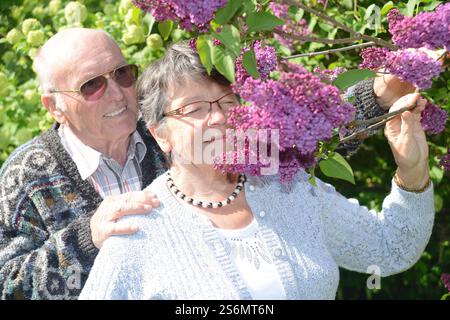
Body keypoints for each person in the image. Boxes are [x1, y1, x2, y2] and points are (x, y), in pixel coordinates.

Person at [79, 42, 434, 300]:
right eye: (195, 108)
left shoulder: (288, 187)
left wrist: (412, 170)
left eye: (227, 102)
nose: (218, 117)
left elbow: (391, 249)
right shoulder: (140, 227)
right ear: (160, 134)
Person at [0, 28, 165, 299]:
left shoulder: (167, 136)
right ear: (54, 107)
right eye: (91, 85)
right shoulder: (25, 175)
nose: (117, 94)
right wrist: (86, 240)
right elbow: (9, 288)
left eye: (122, 74)